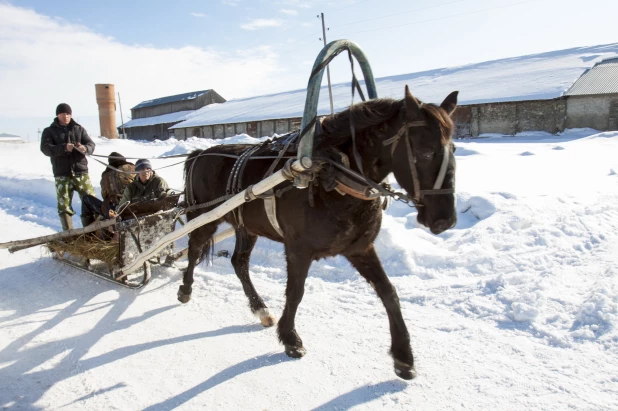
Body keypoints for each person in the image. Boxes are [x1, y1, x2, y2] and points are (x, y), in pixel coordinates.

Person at [40, 103, 96, 231]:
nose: (66, 116)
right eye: (63, 114)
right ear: (57, 115)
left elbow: (91, 144)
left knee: (91, 200)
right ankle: (68, 234)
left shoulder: (79, 128)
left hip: (80, 171)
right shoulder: (49, 131)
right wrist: (64, 148)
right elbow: (45, 149)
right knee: (64, 206)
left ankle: (92, 231)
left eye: (68, 114)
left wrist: (85, 148)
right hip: (62, 173)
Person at [81, 152, 135, 224]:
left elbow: (104, 195)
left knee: (86, 199)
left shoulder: (105, 176)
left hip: (112, 209)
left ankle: (88, 233)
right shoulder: (131, 168)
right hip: (132, 204)